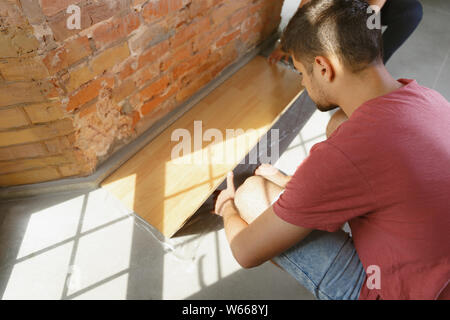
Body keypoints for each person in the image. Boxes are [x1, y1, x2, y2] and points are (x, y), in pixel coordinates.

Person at [213, 0, 450, 300]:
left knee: (250, 193)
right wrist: (295, 186)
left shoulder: (347, 153)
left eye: (301, 72)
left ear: (323, 67)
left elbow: (245, 252)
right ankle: (301, 196)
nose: (302, 82)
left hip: (398, 293)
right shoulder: (429, 98)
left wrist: (227, 207)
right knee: (339, 122)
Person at [269, 0, 423, 65]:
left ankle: (374, 65)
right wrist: (286, 42)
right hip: (345, 5)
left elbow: (372, 12)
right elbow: (304, 8)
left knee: (412, 12)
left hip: (374, 7)